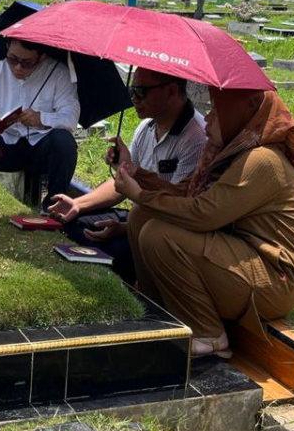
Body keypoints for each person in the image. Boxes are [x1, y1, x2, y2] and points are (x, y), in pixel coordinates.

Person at [112, 88, 294, 359]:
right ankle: (157, 309)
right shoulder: (229, 154)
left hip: (275, 278)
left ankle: (209, 334)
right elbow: (183, 193)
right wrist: (135, 173)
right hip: (241, 255)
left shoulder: (262, 160)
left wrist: (139, 194)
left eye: (217, 111)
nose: (207, 118)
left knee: (161, 234)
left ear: (242, 113)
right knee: (140, 216)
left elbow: (204, 214)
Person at [48, 68, 207, 282]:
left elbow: (177, 208)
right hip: (137, 217)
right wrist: (78, 204)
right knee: (70, 223)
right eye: (132, 90)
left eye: (141, 91)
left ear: (171, 91)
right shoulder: (146, 127)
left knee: (116, 251)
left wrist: (125, 228)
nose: (134, 98)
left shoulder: (196, 138)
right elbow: (121, 186)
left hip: (161, 230)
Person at [0, 38, 80, 206]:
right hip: (5, 144)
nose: (18, 67)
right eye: (13, 59)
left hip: (41, 148)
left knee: (64, 143)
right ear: (7, 48)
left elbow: (71, 118)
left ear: (42, 56)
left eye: (27, 63)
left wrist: (41, 118)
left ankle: (53, 207)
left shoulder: (58, 74)